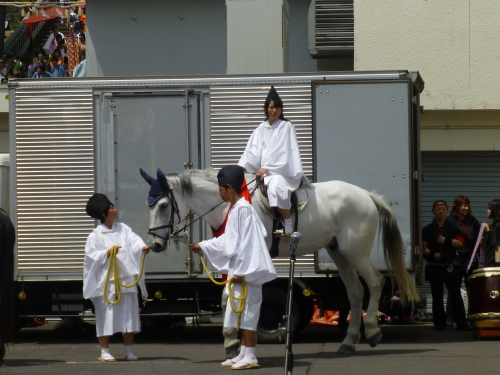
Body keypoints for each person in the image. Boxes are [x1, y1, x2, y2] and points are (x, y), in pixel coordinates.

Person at [189, 165, 277, 370]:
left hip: (246, 271)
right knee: (238, 311)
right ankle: (244, 353)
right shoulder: (237, 209)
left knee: (248, 312)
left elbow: (250, 242)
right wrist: (202, 246)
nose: (219, 193)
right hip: (240, 268)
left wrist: (241, 272)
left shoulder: (244, 209)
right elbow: (229, 240)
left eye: (220, 189)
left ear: (229, 188)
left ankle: (251, 356)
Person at [83, 193, 150, 362]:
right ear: (103, 213)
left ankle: (129, 350)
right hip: (107, 282)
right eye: (111, 208)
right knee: (106, 315)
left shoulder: (124, 228)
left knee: (129, 315)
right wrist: (106, 252)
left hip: (126, 278)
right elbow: (90, 256)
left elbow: (134, 241)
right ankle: (105, 351)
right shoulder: (95, 235)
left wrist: (142, 247)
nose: (115, 210)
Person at [238, 86, 308, 236]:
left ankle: (288, 224)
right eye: (271, 107)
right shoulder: (261, 128)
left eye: (277, 107)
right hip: (267, 171)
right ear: (266, 109)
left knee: (276, 186)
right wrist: (243, 166)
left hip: (283, 171)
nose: (274, 110)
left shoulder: (286, 126)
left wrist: (267, 168)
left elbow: (282, 151)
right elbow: (254, 149)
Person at [422, 200, 469, 330]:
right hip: (433, 267)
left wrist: (446, 240)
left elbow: (460, 243)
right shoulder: (427, 229)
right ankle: (439, 323)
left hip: (450, 266)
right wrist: (432, 255)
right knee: (437, 296)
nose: (440, 212)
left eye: (443, 209)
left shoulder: (453, 227)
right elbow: (422, 248)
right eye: (438, 209)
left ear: (446, 211)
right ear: (433, 212)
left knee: (455, 295)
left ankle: (461, 323)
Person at [482, 199, 500, 267]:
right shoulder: (493, 225)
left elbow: (497, 246)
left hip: (493, 264)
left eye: (489, 208)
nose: (487, 210)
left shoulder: (498, 226)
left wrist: (498, 266)